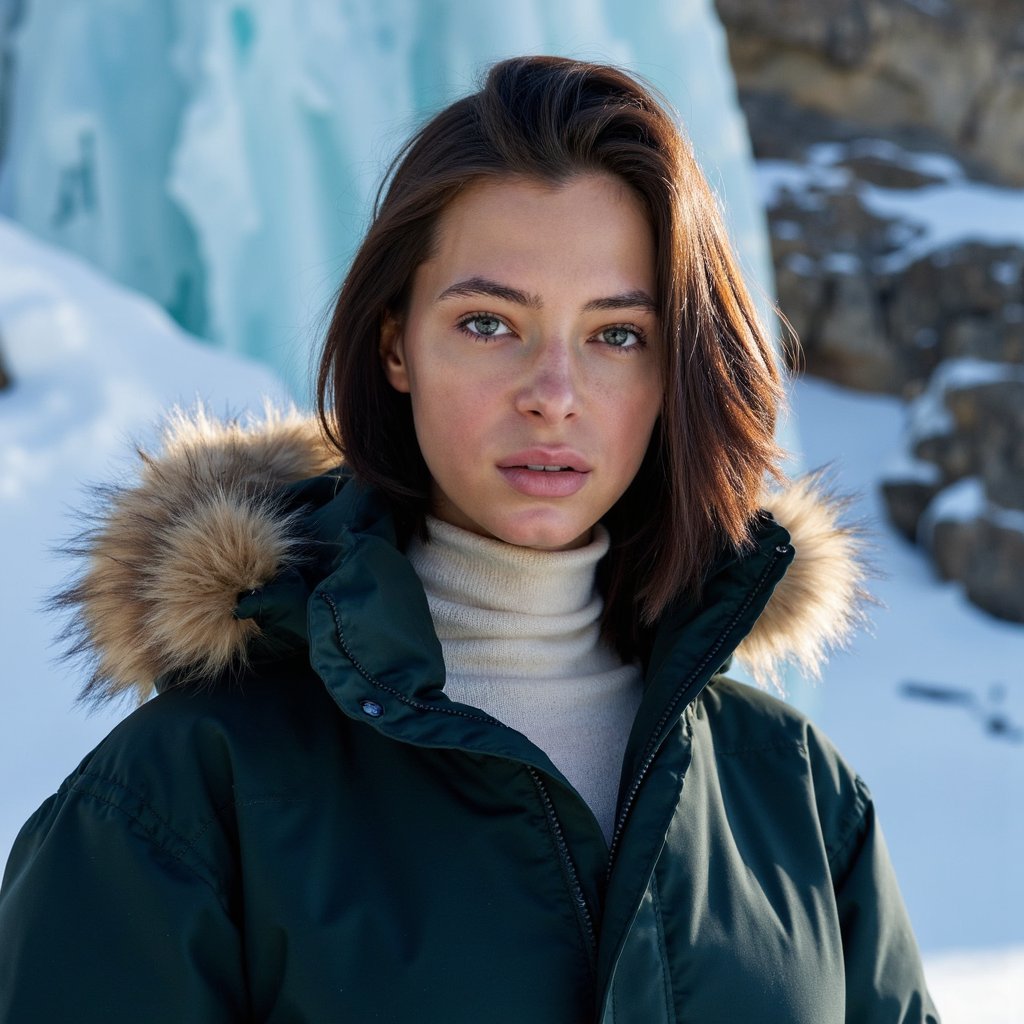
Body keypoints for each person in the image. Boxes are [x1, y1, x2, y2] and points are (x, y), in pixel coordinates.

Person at [0, 56, 939, 1022]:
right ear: (396, 345)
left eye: (618, 334)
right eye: (489, 323)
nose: (554, 394)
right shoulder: (188, 797)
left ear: (678, 370)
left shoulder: (794, 791)